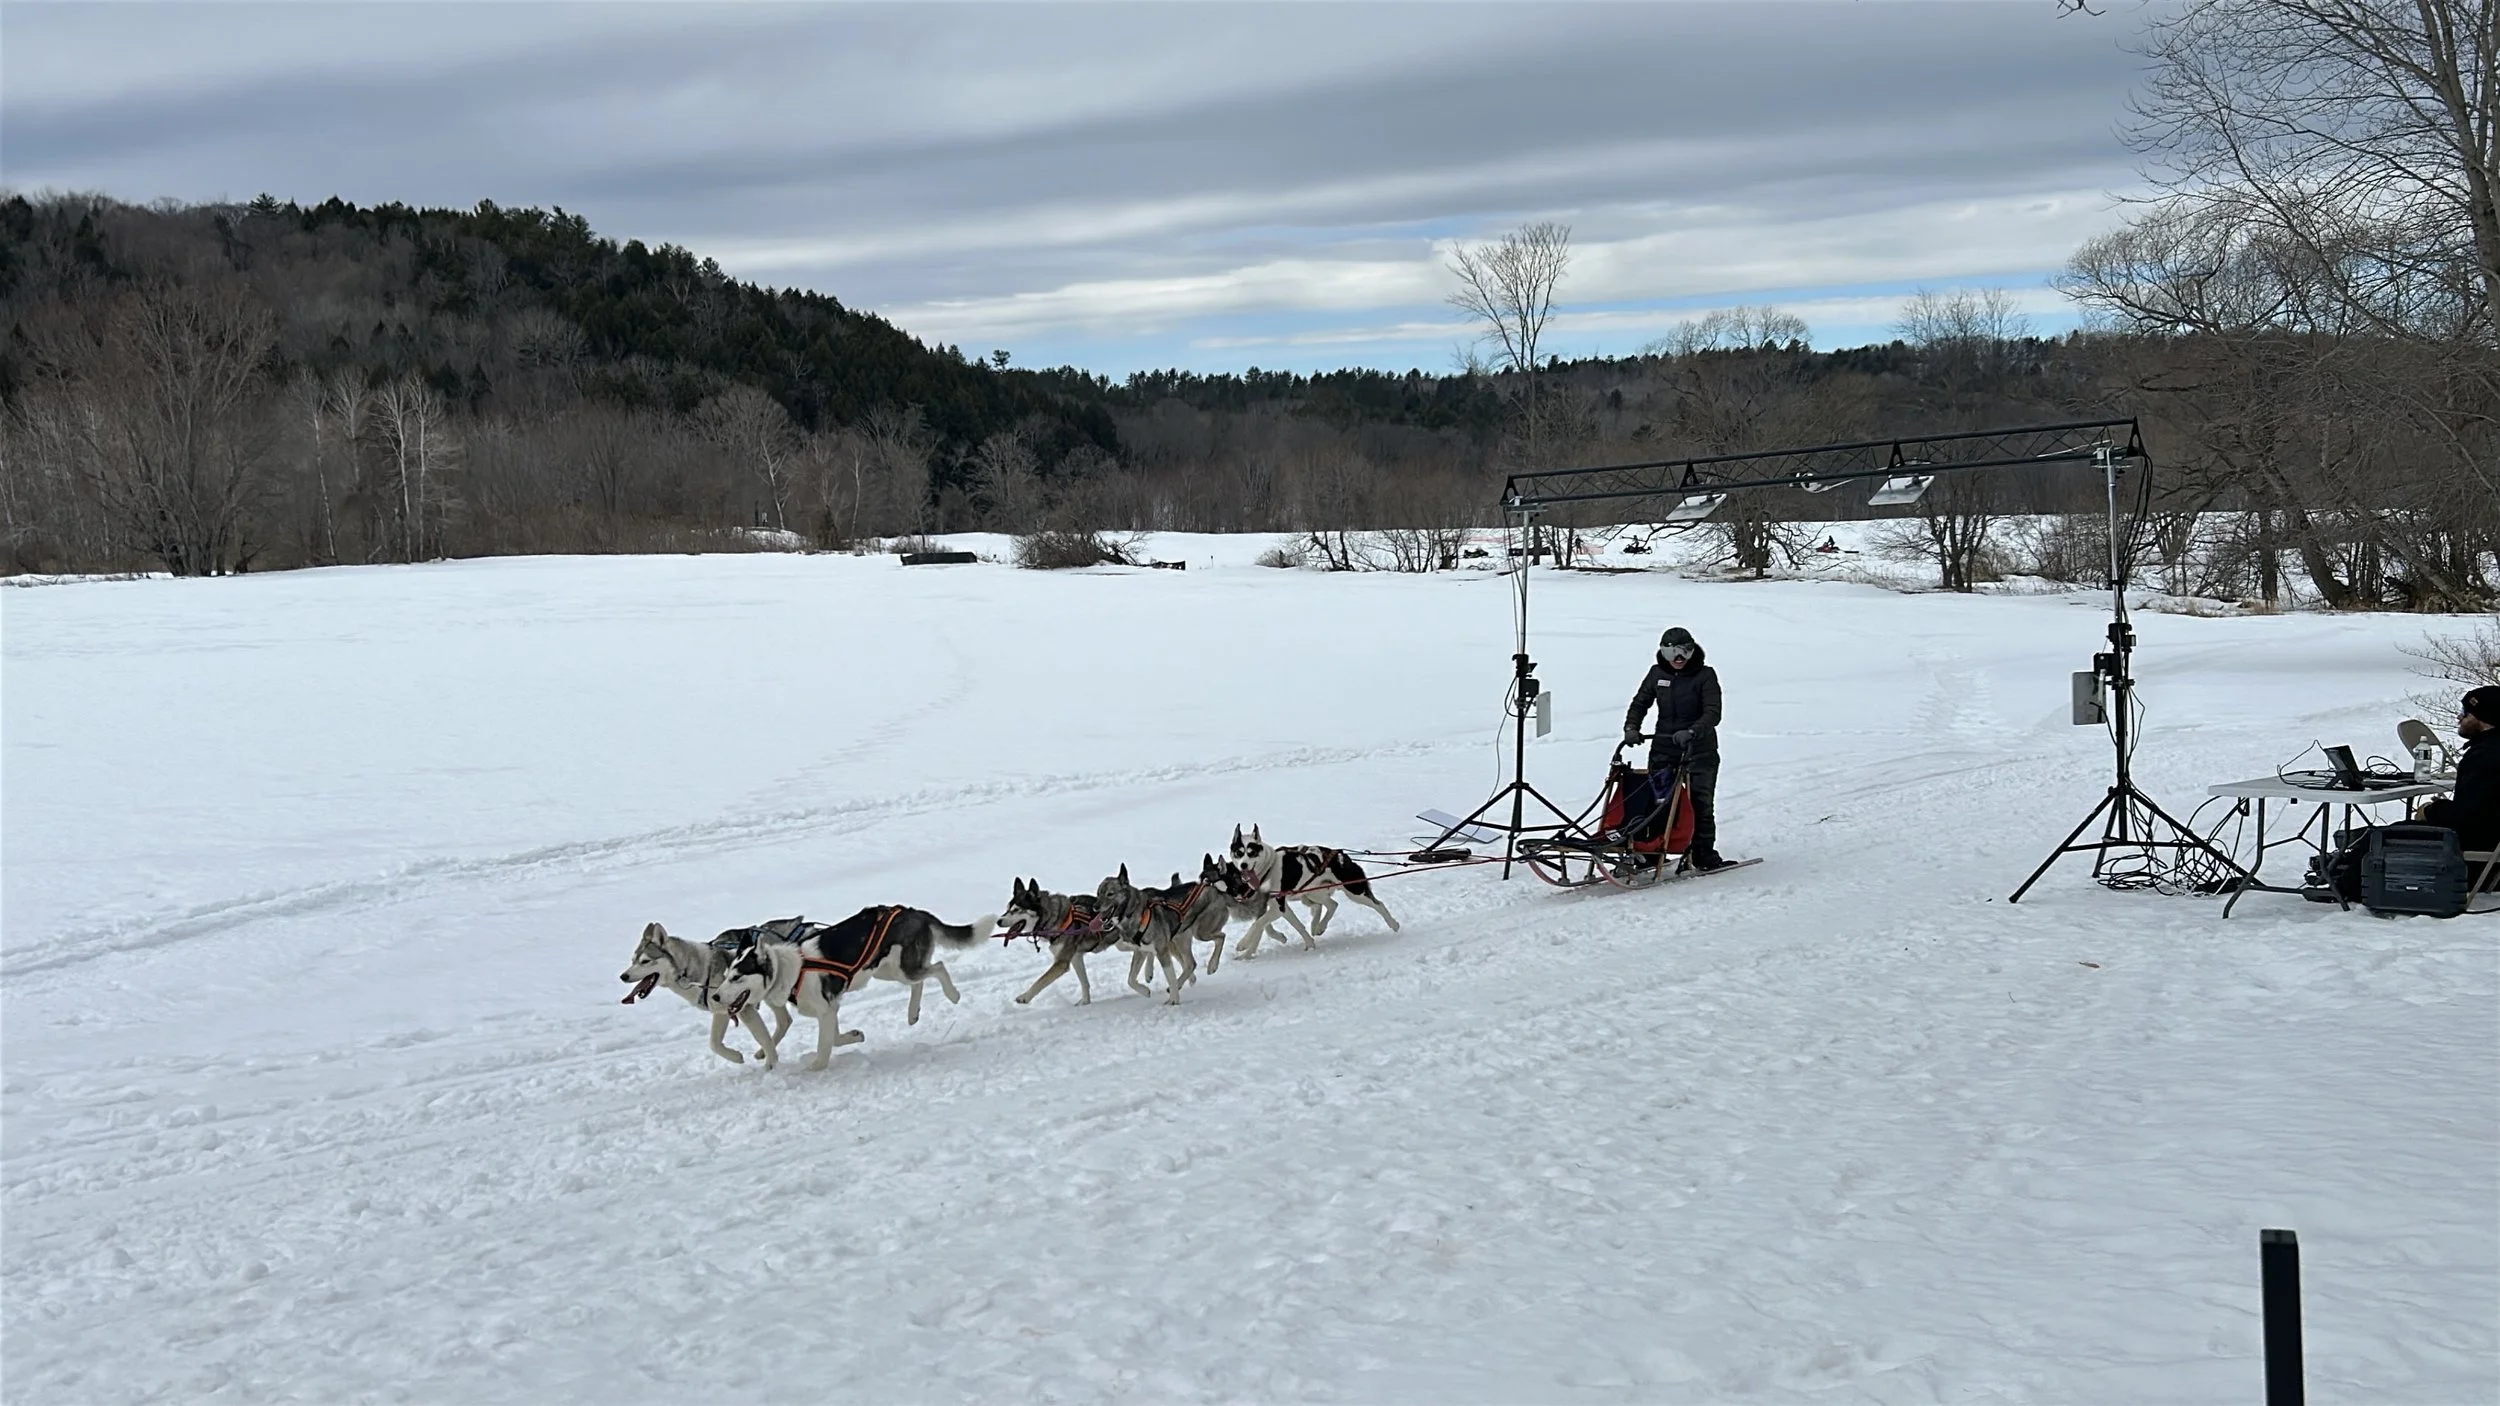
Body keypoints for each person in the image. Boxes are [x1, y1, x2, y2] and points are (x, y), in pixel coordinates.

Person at [1623, 625, 1730, 871]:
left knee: (1699, 803)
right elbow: (1640, 702)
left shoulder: (1705, 676)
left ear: (1693, 651)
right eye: (1672, 654)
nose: (1678, 659)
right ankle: (1651, 851)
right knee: (1658, 801)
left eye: (1684, 652)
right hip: (1663, 748)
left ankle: (1703, 853)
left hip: (1699, 751)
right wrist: (1631, 727)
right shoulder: (1656, 674)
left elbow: (1713, 713)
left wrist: (1692, 731)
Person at [2417, 685, 2499, 858]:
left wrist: (2430, 811)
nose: (2459, 717)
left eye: (2466, 712)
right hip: (2485, 846)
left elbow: (2471, 819)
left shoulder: (2486, 756)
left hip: (2470, 854)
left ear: (2483, 718)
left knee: (2374, 841)